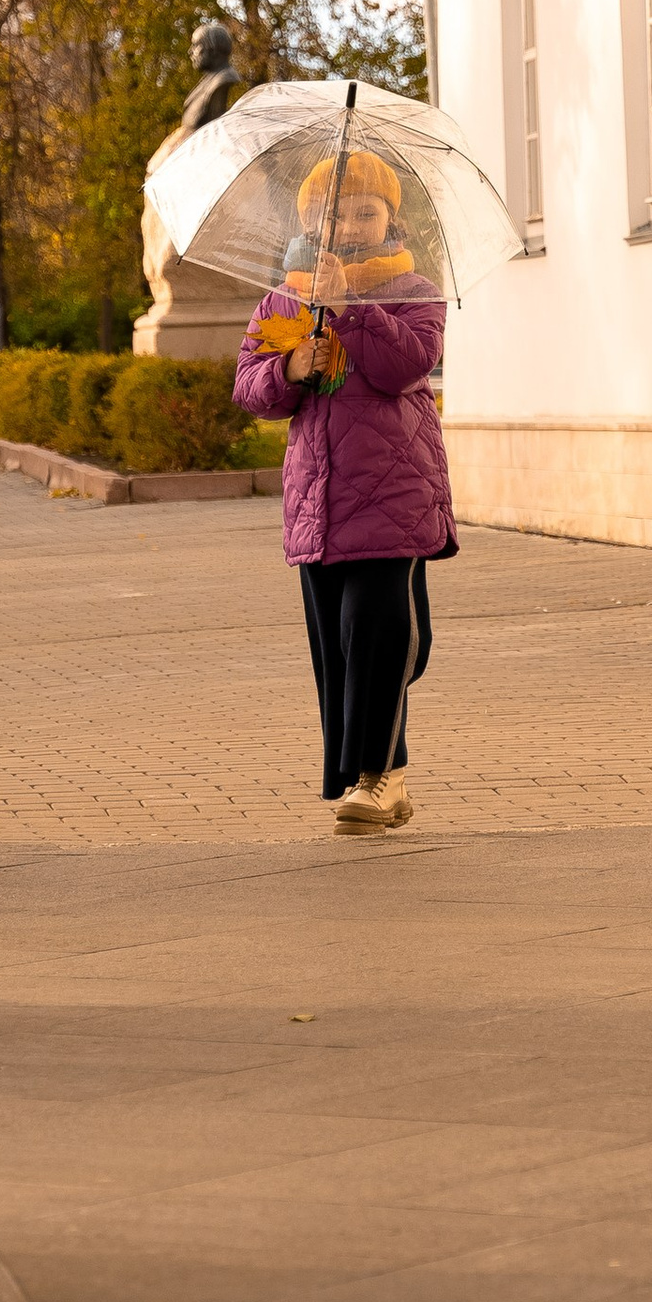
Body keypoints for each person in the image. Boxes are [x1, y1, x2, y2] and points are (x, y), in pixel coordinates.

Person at [233, 147, 455, 832]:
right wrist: (293, 363)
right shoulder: (283, 298)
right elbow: (250, 387)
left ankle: (379, 777)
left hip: (394, 493)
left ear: (392, 218)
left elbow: (408, 365)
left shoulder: (413, 291)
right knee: (339, 644)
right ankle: (374, 776)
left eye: (367, 210)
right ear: (312, 222)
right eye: (337, 213)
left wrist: (353, 310)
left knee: (380, 631)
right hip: (320, 500)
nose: (352, 224)